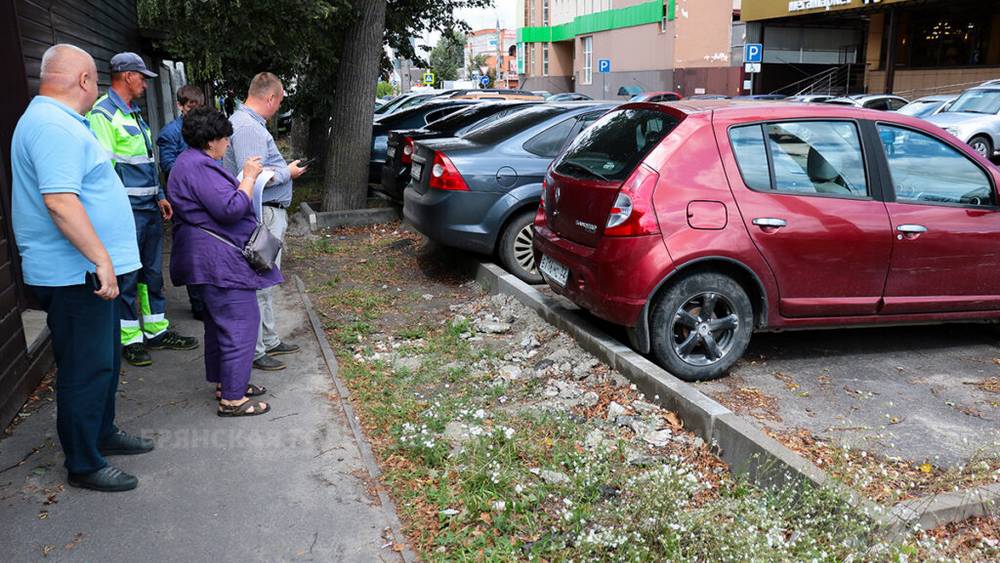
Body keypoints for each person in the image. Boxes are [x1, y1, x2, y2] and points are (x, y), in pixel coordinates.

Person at [11, 44, 153, 492]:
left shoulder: (60, 121)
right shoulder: (52, 126)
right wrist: (101, 258)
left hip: (85, 273)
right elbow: (59, 201)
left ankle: (102, 433)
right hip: (76, 275)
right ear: (85, 80)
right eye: (96, 80)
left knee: (104, 360)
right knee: (85, 368)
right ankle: (84, 463)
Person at [168, 107, 281, 416]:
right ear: (211, 141)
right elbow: (230, 209)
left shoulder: (189, 162)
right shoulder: (199, 166)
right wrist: (249, 178)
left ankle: (228, 383)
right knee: (240, 324)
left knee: (221, 326)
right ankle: (232, 399)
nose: (228, 144)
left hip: (208, 259)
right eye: (225, 139)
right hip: (218, 261)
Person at [87, 52, 199, 367]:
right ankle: (130, 339)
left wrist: (160, 195)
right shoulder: (103, 114)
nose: (146, 85)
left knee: (151, 274)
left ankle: (156, 330)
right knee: (126, 276)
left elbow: (147, 162)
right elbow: (103, 172)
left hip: (148, 208)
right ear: (127, 76)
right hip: (126, 213)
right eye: (142, 78)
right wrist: (115, 213)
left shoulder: (134, 113)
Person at [223, 72, 306, 371]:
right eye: (280, 100)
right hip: (264, 213)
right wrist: (288, 173)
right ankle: (256, 349)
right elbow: (252, 178)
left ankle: (268, 340)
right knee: (258, 281)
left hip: (268, 211)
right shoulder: (248, 127)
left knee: (266, 279)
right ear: (270, 98)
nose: (280, 106)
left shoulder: (248, 123)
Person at [157, 84, 207, 321]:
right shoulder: (170, 133)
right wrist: (198, 170)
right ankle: (198, 305)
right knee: (191, 251)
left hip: (206, 198)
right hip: (184, 201)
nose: (194, 112)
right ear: (180, 105)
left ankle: (208, 299)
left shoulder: (203, 127)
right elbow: (168, 165)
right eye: (190, 107)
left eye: (198, 107)